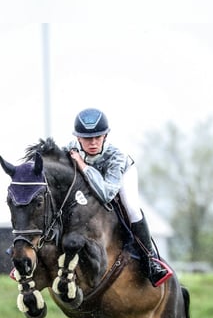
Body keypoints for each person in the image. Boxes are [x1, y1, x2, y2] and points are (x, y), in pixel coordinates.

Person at [66, 108, 172, 287]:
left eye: (97, 137)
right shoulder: (70, 150)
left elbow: (106, 195)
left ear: (105, 136)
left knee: (131, 208)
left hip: (121, 177)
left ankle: (150, 260)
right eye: (87, 138)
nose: (93, 143)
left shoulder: (116, 157)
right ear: (78, 138)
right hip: (96, 178)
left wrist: (82, 165)